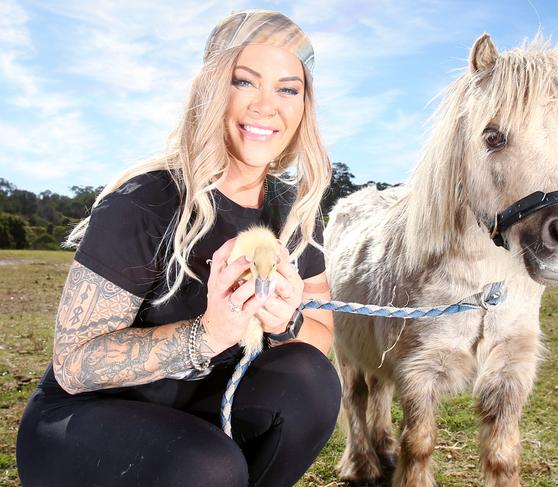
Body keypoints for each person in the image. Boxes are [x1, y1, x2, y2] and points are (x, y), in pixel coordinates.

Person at [16, 10, 341, 487]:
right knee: (207, 466)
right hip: (88, 422)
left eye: (288, 88)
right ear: (211, 89)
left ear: (304, 105)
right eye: (244, 82)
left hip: (198, 414)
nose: (266, 106)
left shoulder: (290, 210)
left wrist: (285, 322)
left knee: (310, 380)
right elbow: (73, 364)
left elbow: (322, 330)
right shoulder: (146, 200)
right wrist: (207, 334)